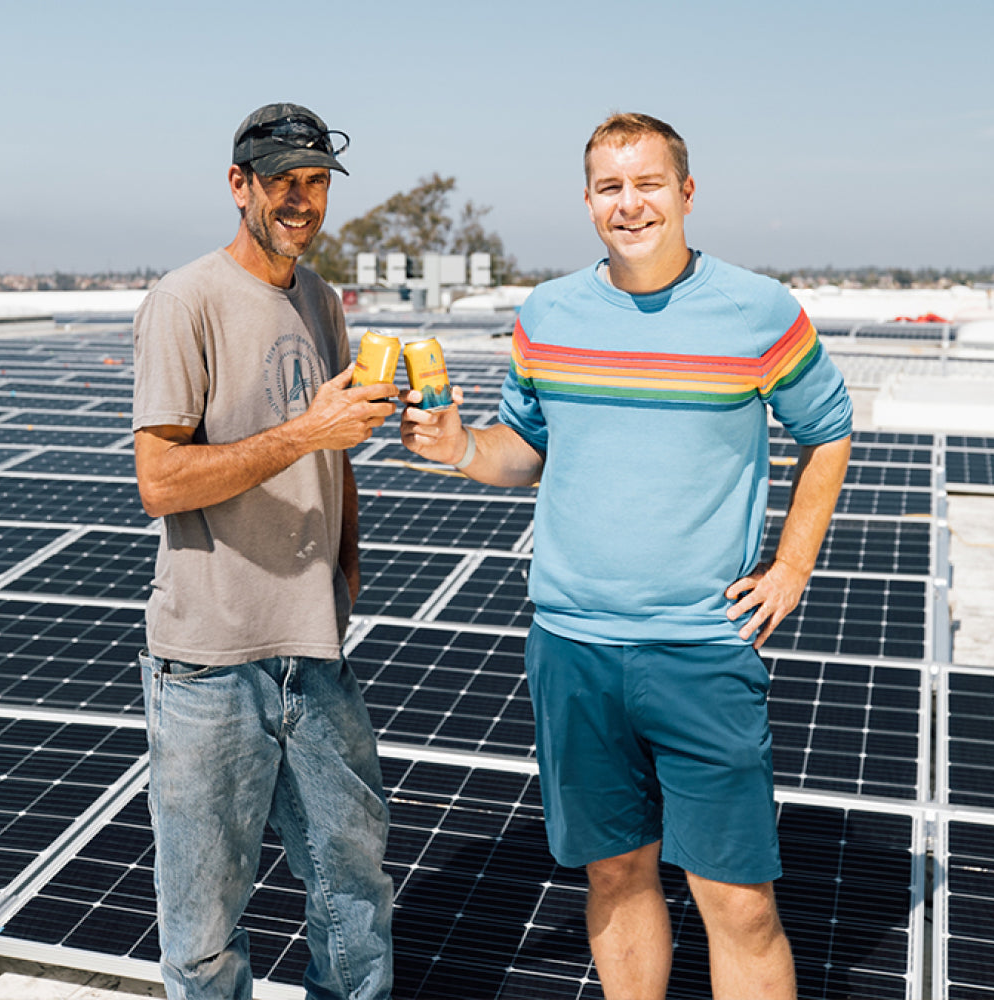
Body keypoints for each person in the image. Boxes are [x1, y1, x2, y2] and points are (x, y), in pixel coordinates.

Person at [399, 112, 852, 1000]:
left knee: (738, 901)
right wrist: (460, 446)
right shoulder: (547, 316)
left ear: (686, 193)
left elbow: (828, 432)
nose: (630, 203)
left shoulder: (758, 312)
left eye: (648, 183)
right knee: (613, 878)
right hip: (571, 649)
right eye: (610, 186)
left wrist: (792, 566)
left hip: (702, 649)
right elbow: (526, 453)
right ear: (588, 201)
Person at [131, 103, 396, 1000]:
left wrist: (346, 572)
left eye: (316, 182)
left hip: (314, 650)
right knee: (204, 934)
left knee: (352, 898)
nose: (301, 199)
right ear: (238, 185)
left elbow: (336, 452)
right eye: (282, 180)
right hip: (209, 665)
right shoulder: (185, 299)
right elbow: (160, 481)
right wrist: (302, 431)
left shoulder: (320, 300)